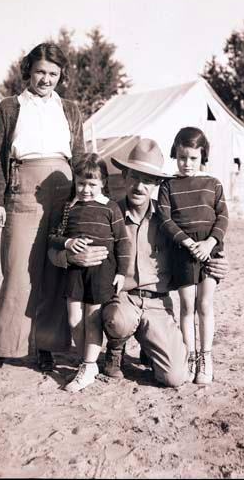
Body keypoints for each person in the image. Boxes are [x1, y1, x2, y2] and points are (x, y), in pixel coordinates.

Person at [51, 138, 229, 388]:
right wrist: (68, 256)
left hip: (157, 302)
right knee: (115, 319)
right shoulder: (105, 213)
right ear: (123, 176)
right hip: (121, 298)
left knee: (175, 378)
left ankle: (150, 345)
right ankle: (115, 346)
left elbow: (198, 241)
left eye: (147, 179)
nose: (139, 186)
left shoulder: (169, 221)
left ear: (157, 184)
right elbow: (57, 249)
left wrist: (218, 262)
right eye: (134, 176)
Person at [0, 43, 84, 377]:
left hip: (63, 190)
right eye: (40, 72)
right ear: (28, 71)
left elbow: (77, 155)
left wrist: (82, 198)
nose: (46, 79)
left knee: (55, 270)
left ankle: (46, 347)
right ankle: (1, 349)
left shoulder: (71, 109)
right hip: (23, 190)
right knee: (18, 271)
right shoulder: (10, 107)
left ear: (60, 76)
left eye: (53, 73)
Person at [48, 153, 130, 393]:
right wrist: (67, 243)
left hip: (102, 270)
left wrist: (122, 273)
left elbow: (123, 243)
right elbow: (53, 235)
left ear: (103, 182)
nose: (85, 189)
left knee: (92, 319)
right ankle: (88, 361)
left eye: (92, 184)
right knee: (75, 319)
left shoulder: (110, 208)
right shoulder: (68, 208)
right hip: (75, 270)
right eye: (81, 183)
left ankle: (88, 364)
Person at [157, 126, 229, 385]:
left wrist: (210, 243)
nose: (187, 163)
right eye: (182, 157)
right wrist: (188, 242)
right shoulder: (168, 185)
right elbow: (165, 220)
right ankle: (188, 355)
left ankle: (205, 358)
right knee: (187, 306)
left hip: (210, 249)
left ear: (203, 157)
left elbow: (222, 216)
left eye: (193, 158)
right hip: (183, 251)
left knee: (205, 305)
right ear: (175, 154)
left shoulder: (213, 184)